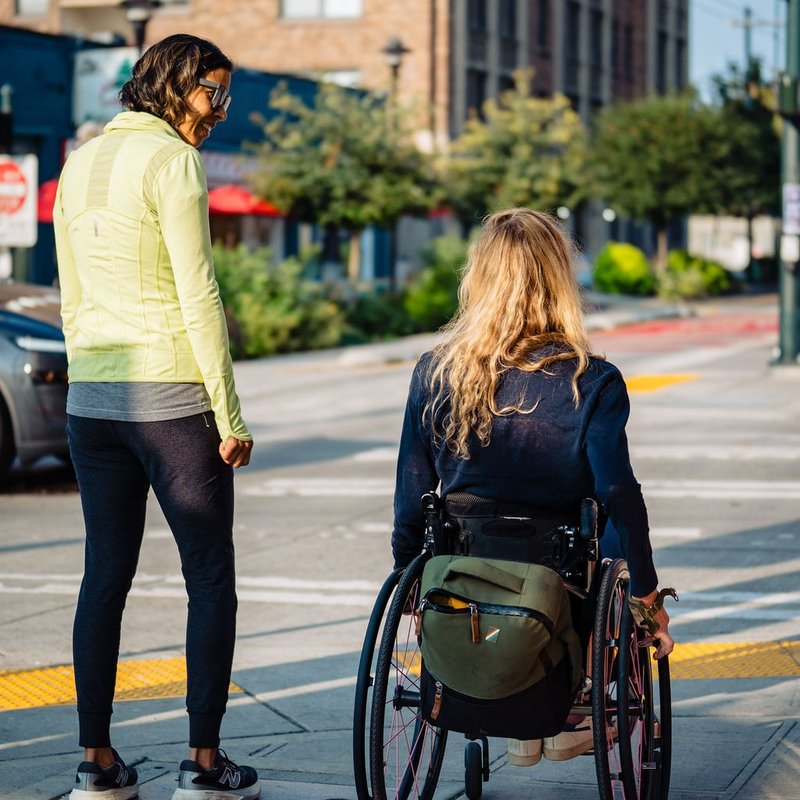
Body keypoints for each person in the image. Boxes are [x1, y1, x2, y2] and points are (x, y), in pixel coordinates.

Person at [53, 34, 260, 800]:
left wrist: (88, 379)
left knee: (103, 575)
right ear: (174, 84)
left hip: (92, 401)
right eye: (214, 91)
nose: (219, 110)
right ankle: (204, 766)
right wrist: (229, 414)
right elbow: (198, 292)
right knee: (209, 576)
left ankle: (96, 763)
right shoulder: (173, 161)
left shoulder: (78, 163)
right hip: (171, 398)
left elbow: (69, 289)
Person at [391, 207, 674, 765]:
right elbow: (618, 491)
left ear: (479, 279)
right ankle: (573, 702)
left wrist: (407, 578)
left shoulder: (436, 371)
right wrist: (646, 594)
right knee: (608, 534)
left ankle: (513, 709)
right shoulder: (591, 379)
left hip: (460, 563)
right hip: (558, 567)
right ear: (559, 279)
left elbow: (412, 487)